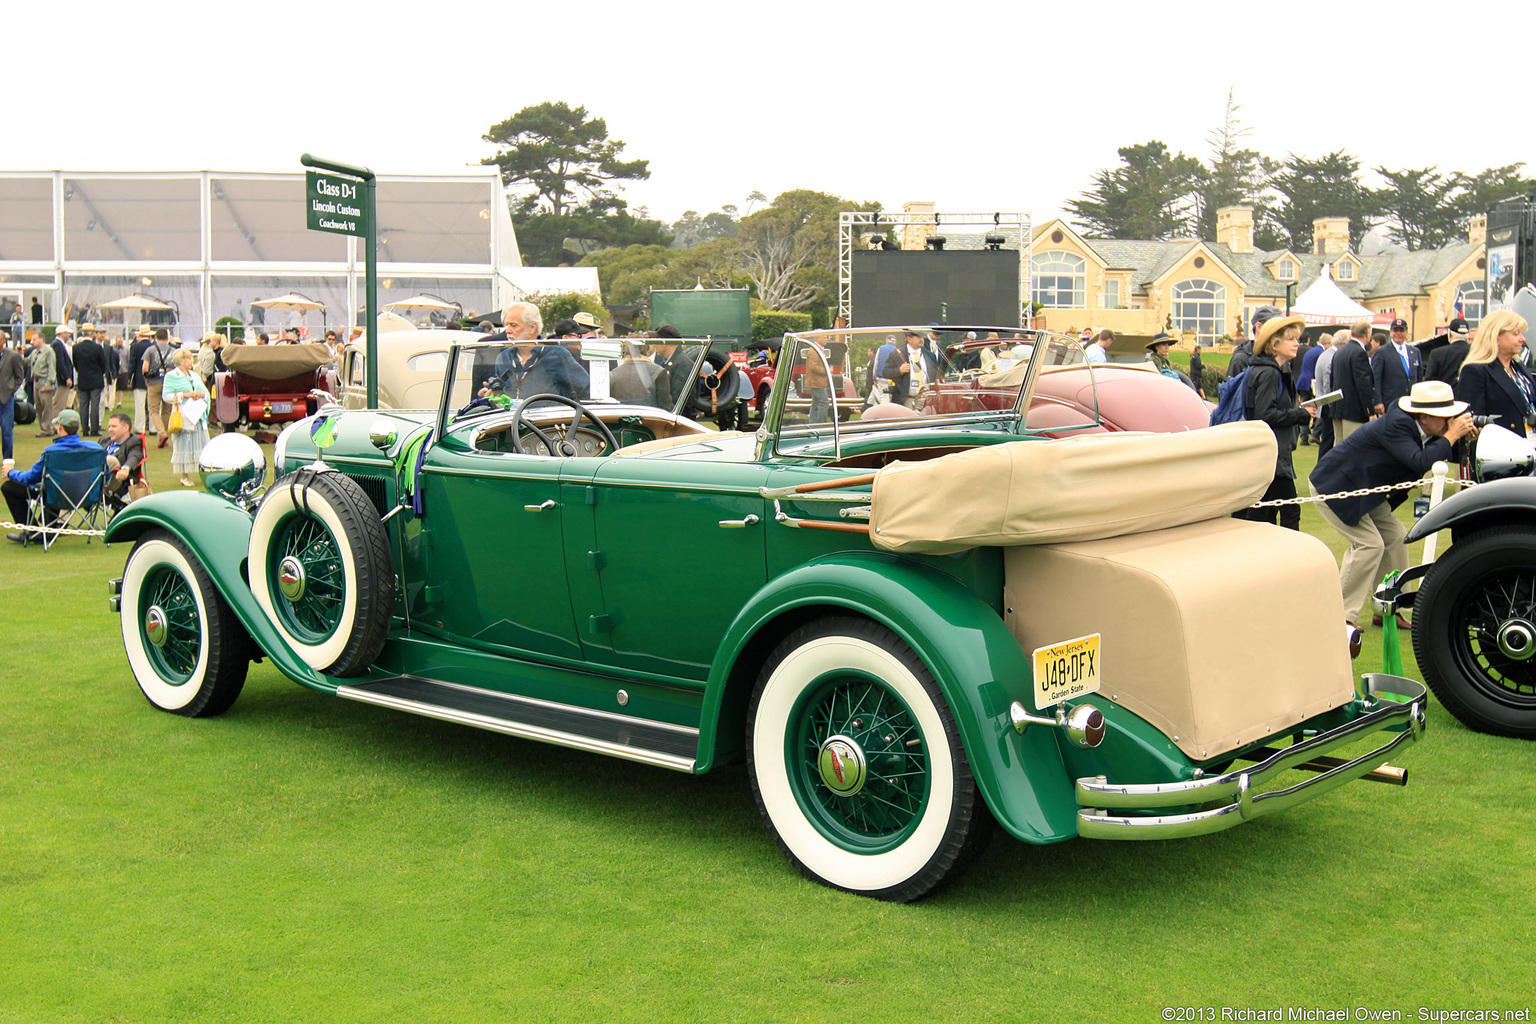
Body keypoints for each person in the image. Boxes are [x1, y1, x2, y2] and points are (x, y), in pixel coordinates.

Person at [1310, 380, 1477, 629]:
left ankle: (1389, 608)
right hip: (1335, 486)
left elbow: (1440, 452)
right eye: (1445, 417)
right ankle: (1342, 617)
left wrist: (1464, 438)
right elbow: (1420, 461)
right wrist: (1452, 434)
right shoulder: (1398, 424)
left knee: (1396, 537)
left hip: (1365, 490)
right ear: (1424, 416)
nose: (1449, 422)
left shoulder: (1422, 428)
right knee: (1370, 544)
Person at [1234, 315, 1313, 531]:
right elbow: (1265, 415)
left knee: (1262, 512)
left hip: (1267, 454)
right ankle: (1290, 560)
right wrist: (1299, 414)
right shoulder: (1269, 373)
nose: (1297, 343)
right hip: (1271, 455)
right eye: (1291, 339)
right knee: (1289, 511)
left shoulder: (1266, 369)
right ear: (1275, 344)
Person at [3, 408, 103, 544]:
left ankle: (34, 531)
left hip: (56, 495)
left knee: (10, 487)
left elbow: (31, 478)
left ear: (60, 426)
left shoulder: (52, 452)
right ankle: (48, 530)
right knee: (53, 483)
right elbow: (104, 477)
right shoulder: (96, 449)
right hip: (87, 496)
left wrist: (11, 472)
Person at [1455, 310, 1532, 436]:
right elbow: (1474, 422)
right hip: (1501, 448)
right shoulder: (1475, 371)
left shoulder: (1519, 367)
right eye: (1516, 334)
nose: (1522, 339)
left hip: (1528, 446)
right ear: (1496, 336)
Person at [162, 347, 209, 487]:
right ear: (181, 361)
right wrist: (184, 395)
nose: (191, 361)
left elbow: (204, 391)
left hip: (197, 414)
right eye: (188, 358)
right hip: (184, 413)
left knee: (201, 443)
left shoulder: (194, 375)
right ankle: (184, 475)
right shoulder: (171, 376)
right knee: (184, 444)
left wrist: (202, 395)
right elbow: (166, 396)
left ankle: (204, 472)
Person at [1331, 320, 1377, 444]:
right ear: (1368, 334)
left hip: (1338, 407)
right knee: (1353, 448)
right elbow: (1363, 384)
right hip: (1353, 410)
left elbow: (1333, 380)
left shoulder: (1340, 351)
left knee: (1339, 449)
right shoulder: (1359, 353)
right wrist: (1370, 411)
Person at [1371, 317, 1423, 411]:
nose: (1398, 333)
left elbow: (1419, 377)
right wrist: (1378, 401)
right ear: (1390, 332)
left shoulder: (1415, 352)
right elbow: (1376, 378)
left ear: (1406, 332)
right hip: (1391, 402)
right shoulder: (1381, 352)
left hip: (1412, 402)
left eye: (1401, 330)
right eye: (1395, 330)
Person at [1311, 329, 1348, 456]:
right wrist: (1334, 406)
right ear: (1343, 344)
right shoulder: (1331, 357)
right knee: (1328, 442)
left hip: (1326, 403)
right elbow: (1328, 385)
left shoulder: (1327, 354)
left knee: (1328, 441)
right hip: (1329, 404)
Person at [102, 412, 145, 511]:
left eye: (114, 426)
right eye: (109, 426)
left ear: (125, 428)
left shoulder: (134, 442)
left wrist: (125, 469)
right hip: (95, 478)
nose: (110, 430)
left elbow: (134, 456)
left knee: (110, 460)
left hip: (116, 481)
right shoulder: (104, 440)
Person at [71, 323, 108, 437]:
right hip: (95, 378)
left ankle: (85, 428)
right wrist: (98, 372)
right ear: (92, 333)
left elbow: (75, 363)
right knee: (95, 405)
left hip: (83, 378)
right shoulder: (97, 348)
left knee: (83, 405)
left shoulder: (76, 347)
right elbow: (103, 364)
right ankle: (94, 429)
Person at [142, 327, 176, 446]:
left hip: (154, 382)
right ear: (167, 338)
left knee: (153, 410)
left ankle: (161, 433)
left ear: (156, 338)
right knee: (167, 411)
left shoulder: (150, 350)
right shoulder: (173, 350)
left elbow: (145, 368)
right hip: (169, 383)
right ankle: (163, 434)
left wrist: (146, 379)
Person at [1227, 305, 1282, 380]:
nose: (1281, 332)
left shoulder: (1281, 356)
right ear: (1259, 327)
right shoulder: (1241, 359)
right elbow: (1233, 389)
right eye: (1275, 327)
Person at [26, 332, 57, 435]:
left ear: (41, 339)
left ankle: (48, 429)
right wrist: (17, 356)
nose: (32, 341)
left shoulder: (48, 351)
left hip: (44, 380)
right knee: (38, 406)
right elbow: (26, 362)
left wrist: (49, 382)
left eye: (35, 339)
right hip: (36, 380)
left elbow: (51, 367)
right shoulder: (35, 352)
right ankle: (43, 427)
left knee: (46, 405)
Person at [1426, 317, 1472, 385]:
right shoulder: (1476, 352)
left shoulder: (1437, 354)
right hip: (1470, 394)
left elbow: (1429, 382)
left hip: (1444, 394)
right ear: (1467, 335)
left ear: (1449, 333)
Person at [0, 338, 24, 461]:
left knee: (6, 429)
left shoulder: (13, 356)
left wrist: (10, 390)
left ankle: (7, 458)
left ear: (3, 341)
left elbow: (19, 377)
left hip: (5, 399)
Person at [127, 326, 153, 435]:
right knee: (153, 405)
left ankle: (139, 427)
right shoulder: (154, 346)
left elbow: (132, 364)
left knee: (140, 405)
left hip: (139, 378)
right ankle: (153, 427)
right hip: (153, 378)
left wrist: (129, 378)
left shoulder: (135, 347)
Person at [50, 323, 76, 424]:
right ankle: (55, 425)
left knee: (60, 403)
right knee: (58, 404)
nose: (69, 335)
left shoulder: (58, 344)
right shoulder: (57, 345)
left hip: (61, 379)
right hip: (61, 380)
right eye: (67, 333)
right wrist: (66, 377)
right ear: (62, 333)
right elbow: (60, 363)